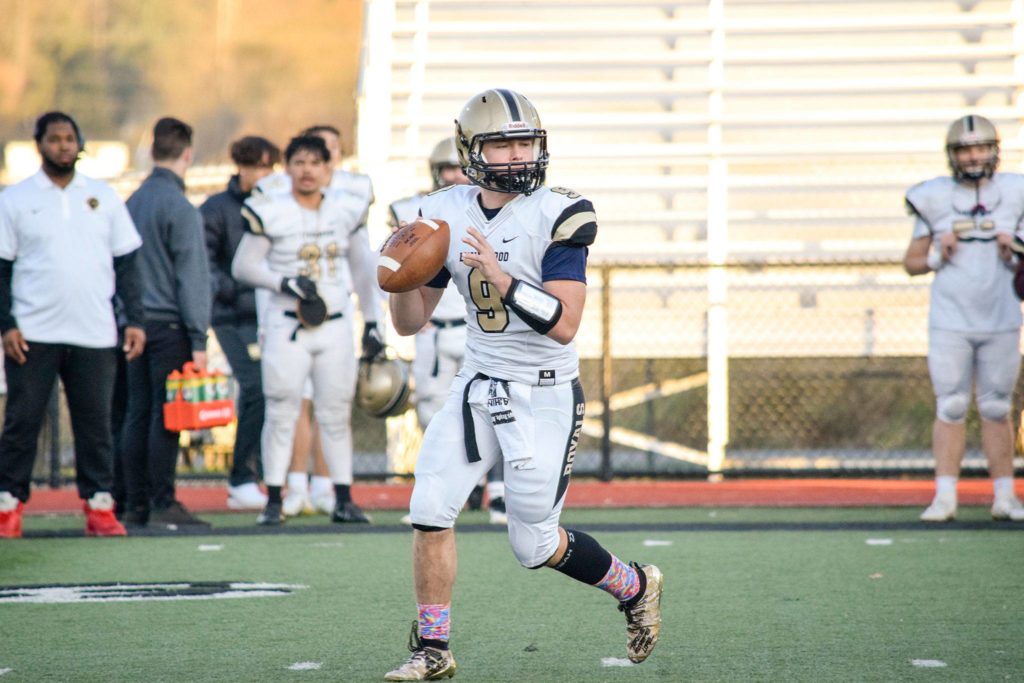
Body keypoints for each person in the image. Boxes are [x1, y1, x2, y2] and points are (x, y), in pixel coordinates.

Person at [383, 89, 663, 680]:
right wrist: (395, 274)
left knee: (534, 545)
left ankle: (633, 584)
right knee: (430, 507)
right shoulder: (445, 211)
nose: (515, 156)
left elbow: (565, 324)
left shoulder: (560, 212)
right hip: (478, 381)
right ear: (471, 150)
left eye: (524, 142)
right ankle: (434, 648)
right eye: (500, 143)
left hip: (544, 390)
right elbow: (412, 324)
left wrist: (501, 279)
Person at [0, 111, 144, 538]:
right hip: (33, 331)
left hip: (94, 330)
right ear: (39, 144)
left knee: (95, 423)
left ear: (80, 144)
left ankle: (99, 505)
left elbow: (127, 264)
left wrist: (133, 319)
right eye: (54, 138)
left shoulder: (104, 196)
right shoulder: (15, 198)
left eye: (69, 138)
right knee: (23, 421)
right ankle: (8, 505)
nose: (63, 145)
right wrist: (6, 323)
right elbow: (2, 268)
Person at [232, 134, 384, 526]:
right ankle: (275, 499)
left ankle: (344, 498)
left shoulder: (346, 209)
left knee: (335, 414)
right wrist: (282, 283)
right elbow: (243, 266)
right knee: (282, 410)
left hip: (334, 324)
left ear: (328, 168)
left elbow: (364, 270)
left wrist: (372, 321)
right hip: (288, 324)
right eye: (299, 162)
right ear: (288, 168)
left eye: (315, 163)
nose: (307, 170)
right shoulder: (272, 209)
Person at [903, 114, 1024, 522]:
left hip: (1001, 314)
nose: (973, 156)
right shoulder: (934, 196)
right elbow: (912, 262)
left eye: (980, 147)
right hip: (951, 317)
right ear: (952, 154)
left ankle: (1005, 496)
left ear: (994, 150)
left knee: (996, 406)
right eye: (964, 149)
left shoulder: (1016, 191)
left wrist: (1017, 253)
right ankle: (945, 496)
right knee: (951, 404)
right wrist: (939, 254)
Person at [389, 136, 507, 525]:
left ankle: (500, 493)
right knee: (432, 415)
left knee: (497, 409)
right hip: (433, 332)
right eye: (447, 169)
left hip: (479, 331)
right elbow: (393, 273)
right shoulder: (419, 213)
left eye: (459, 168)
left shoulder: (495, 210)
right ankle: (451, 490)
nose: (454, 176)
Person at [122, 117, 212, 528]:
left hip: (131, 325)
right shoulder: (180, 208)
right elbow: (192, 277)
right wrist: (198, 334)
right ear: (188, 155)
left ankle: (133, 504)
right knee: (167, 417)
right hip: (171, 326)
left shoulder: (130, 204)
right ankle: (164, 501)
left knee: (135, 413)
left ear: (153, 152)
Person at [200, 135, 281, 511]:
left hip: (272, 313)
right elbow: (206, 265)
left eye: (269, 166)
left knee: (278, 392)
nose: (263, 174)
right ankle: (241, 478)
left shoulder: (278, 205)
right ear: (240, 166)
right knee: (255, 387)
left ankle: (271, 476)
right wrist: (234, 289)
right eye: (256, 166)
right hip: (233, 316)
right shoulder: (216, 209)